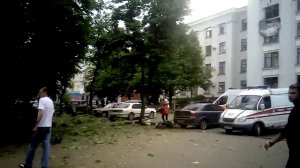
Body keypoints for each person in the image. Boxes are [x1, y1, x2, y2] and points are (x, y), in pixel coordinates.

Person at [264, 83, 300, 168]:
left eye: (293, 93)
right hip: (293, 152)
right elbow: (287, 130)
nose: (290, 95)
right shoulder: (294, 110)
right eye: (289, 93)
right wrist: (272, 142)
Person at [19, 87, 55, 168]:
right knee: (46, 149)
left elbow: (41, 113)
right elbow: (51, 114)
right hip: (48, 127)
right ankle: (44, 166)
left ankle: (28, 165)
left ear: (45, 92)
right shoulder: (51, 101)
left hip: (41, 127)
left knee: (32, 146)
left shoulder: (42, 100)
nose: (38, 94)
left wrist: (36, 125)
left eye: (40, 92)